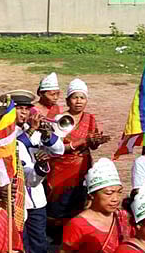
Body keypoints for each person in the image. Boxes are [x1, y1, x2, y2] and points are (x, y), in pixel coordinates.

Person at [7, 90, 64, 253]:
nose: (23, 113)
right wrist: (32, 129)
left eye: (25, 109)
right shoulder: (7, 131)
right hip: (16, 197)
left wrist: (47, 133)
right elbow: (18, 144)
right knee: (20, 243)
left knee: (39, 243)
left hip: (36, 196)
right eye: (18, 109)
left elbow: (59, 150)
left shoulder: (36, 130)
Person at [46, 78, 109, 223]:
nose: (79, 101)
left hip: (82, 167)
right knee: (59, 203)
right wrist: (83, 141)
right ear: (68, 101)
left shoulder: (90, 118)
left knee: (79, 201)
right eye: (75, 97)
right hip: (62, 168)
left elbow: (92, 146)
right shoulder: (59, 119)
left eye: (82, 98)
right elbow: (58, 147)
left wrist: (95, 142)